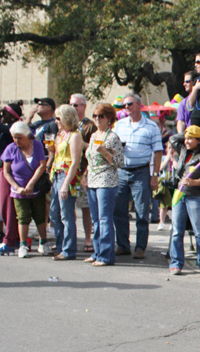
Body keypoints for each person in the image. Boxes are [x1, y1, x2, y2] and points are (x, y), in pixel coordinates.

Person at [113, 93, 164, 258]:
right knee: (119, 210)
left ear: (139, 105)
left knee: (142, 212)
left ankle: (140, 247)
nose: (126, 107)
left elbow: (158, 152)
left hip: (141, 171)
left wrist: (154, 175)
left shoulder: (151, 126)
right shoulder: (119, 125)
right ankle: (123, 245)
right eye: (124, 105)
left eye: (129, 104)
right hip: (121, 170)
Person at [167, 125, 200, 276]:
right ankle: (176, 263)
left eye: (191, 138)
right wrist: (189, 131)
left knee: (199, 232)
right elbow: (173, 138)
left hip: (197, 196)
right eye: (186, 138)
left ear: (199, 141)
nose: (187, 141)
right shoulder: (183, 150)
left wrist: (196, 182)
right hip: (180, 195)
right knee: (177, 231)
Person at [1, 122, 49, 258]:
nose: (17, 141)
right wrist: (17, 187)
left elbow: (42, 165)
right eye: (14, 137)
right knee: (22, 217)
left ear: (27, 135)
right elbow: (7, 172)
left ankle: (43, 242)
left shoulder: (37, 146)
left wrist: (31, 184)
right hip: (18, 191)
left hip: (36, 189)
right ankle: (23, 245)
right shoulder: (10, 149)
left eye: (19, 137)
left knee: (40, 216)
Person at [84, 103, 124, 266]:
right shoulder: (94, 136)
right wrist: (85, 174)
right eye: (95, 116)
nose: (97, 119)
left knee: (105, 218)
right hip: (93, 179)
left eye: (101, 116)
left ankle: (106, 255)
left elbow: (120, 162)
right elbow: (90, 158)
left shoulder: (112, 137)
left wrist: (105, 152)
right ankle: (97, 251)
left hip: (106, 180)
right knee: (96, 219)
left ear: (109, 118)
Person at [48, 104, 85, 260]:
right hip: (56, 174)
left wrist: (65, 184)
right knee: (54, 213)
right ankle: (61, 245)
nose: (56, 121)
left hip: (67, 175)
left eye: (58, 118)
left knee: (66, 214)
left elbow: (75, 162)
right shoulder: (61, 134)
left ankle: (69, 249)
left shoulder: (75, 135)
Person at [0, 103, 23, 254]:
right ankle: (14, 238)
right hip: (2, 168)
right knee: (4, 207)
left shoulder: (15, 127)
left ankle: (10, 240)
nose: (2, 117)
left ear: (12, 115)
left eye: (5, 114)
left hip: (11, 170)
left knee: (8, 207)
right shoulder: (8, 128)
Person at [70, 93, 97, 254]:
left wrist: (79, 142)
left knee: (86, 207)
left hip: (83, 170)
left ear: (84, 106)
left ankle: (88, 238)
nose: (73, 107)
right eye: (71, 104)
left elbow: (94, 147)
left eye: (76, 105)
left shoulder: (89, 126)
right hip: (69, 171)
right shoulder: (67, 124)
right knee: (67, 208)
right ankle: (70, 238)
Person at [176, 70, 199, 134]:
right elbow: (180, 121)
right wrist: (181, 135)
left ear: (194, 82)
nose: (184, 84)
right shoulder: (183, 102)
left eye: (187, 81)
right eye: (184, 82)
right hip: (188, 135)